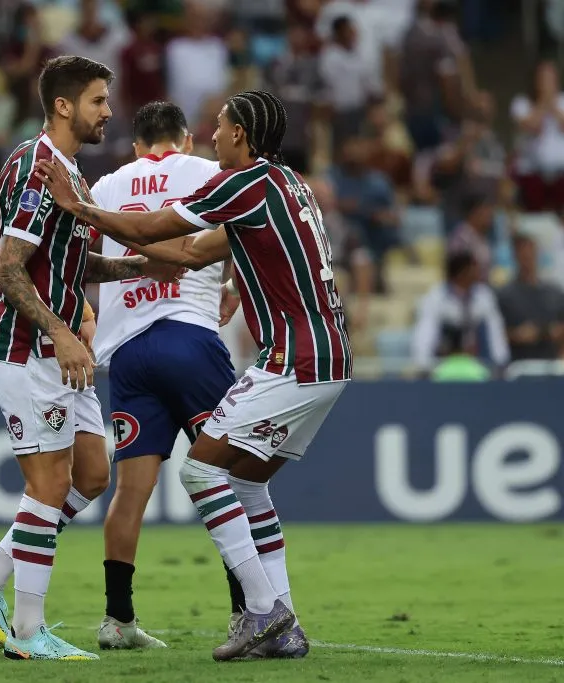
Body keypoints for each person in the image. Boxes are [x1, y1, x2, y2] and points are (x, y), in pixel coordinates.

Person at [38, 90, 353, 661]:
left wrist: (78, 208)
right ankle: (281, 623)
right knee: (247, 483)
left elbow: (157, 228)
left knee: (201, 472)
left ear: (241, 135)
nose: (213, 136)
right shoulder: (289, 184)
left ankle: (264, 611)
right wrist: (227, 282)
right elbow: (193, 254)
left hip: (291, 357)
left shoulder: (243, 182)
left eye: (222, 126)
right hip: (330, 356)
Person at [0, 55, 178, 662]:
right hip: (26, 346)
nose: (108, 111)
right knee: (49, 484)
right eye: (98, 100)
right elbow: (6, 269)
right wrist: (61, 331)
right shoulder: (37, 166)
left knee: (92, 475)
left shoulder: (71, 174)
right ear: (63, 105)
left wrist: (138, 268)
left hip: (59, 350)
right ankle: (28, 632)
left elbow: (72, 263)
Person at [85, 100, 242, 650]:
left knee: (131, 491)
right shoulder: (210, 172)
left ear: (136, 146)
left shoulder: (107, 187)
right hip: (190, 338)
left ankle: (117, 619)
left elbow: (82, 259)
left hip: (129, 352)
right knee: (232, 480)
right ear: (187, 139)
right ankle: (249, 612)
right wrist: (233, 287)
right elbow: (246, 232)